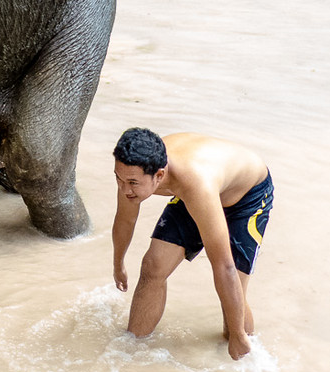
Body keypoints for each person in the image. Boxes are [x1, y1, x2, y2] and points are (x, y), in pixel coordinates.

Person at [111, 128, 273, 360]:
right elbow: (125, 219)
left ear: (158, 176)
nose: (125, 188)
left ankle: (247, 358)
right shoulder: (130, 173)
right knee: (153, 266)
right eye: (119, 178)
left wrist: (237, 334)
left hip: (246, 197)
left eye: (133, 183)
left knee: (233, 303)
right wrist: (118, 263)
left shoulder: (195, 183)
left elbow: (223, 265)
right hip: (200, 185)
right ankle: (131, 351)